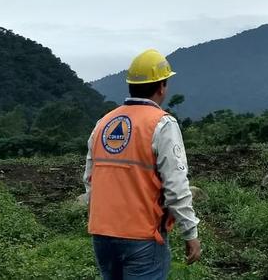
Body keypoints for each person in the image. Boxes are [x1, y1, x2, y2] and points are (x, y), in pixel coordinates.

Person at [83, 48, 202, 279]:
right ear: (161, 87)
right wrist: (190, 233)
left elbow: (90, 179)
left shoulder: (103, 123)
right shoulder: (162, 124)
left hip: (102, 235)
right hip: (142, 237)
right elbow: (176, 186)